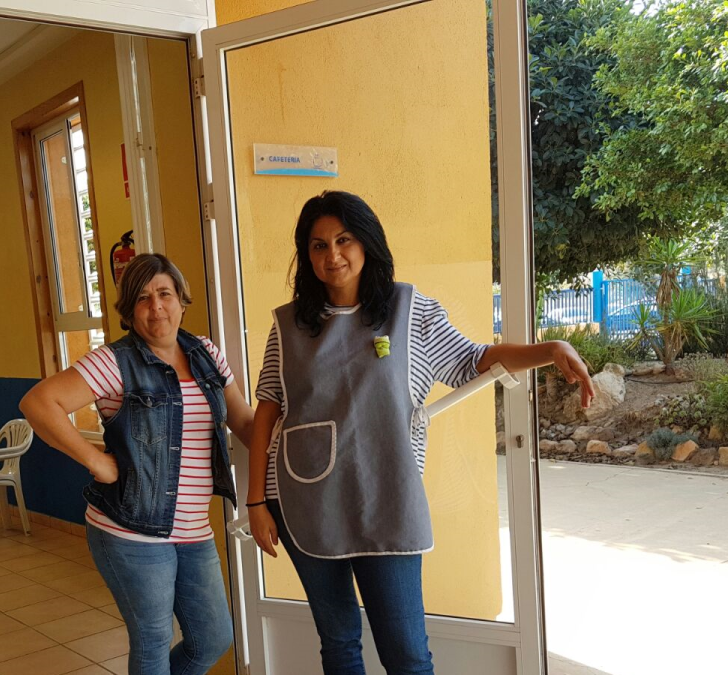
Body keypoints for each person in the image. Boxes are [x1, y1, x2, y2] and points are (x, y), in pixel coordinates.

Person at [244, 191, 594, 675]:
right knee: (338, 644)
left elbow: (475, 359)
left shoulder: (410, 311)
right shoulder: (289, 326)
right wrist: (256, 502)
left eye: (344, 240)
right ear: (306, 254)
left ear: (367, 243)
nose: (333, 255)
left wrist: (549, 349)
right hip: (305, 499)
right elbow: (267, 411)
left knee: (407, 654)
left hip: (389, 498)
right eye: (318, 245)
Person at [20, 253, 254, 675]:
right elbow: (38, 403)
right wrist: (95, 460)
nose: (156, 306)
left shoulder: (206, 354)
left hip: (193, 529)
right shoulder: (115, 361)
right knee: (152, 640)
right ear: (129, 313)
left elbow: (244, 421)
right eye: (143, 298)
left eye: (165, 294)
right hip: (130, 529)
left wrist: (297, 438)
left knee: (213, 637)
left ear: (181, 300)